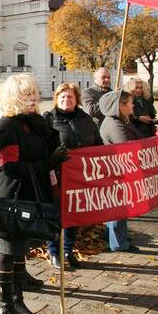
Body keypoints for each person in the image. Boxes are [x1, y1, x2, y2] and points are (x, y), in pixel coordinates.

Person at [0, 73, 67, 314]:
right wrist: (49, 162)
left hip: (31, 194)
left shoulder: (33, 121)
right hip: (12, 196)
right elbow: (11, 167)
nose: (33, 98)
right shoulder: (7, 125)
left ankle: (18, 301)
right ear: (14, 97)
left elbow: (53, 144)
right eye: (26, 94)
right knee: (7, 252)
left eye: (34, 92)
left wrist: (48, 131)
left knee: (20, 251)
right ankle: (5, 308)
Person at [42, 83, 101, 270]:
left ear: (76, 100)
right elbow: (42, 146)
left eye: (70, 97)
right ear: (57, 99)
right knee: (55, 214)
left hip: (79, 176)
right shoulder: (48, 119)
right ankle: (54, 252)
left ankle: (68, 249)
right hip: (56, 175)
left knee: (73, 213)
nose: (67, 100)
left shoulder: (85, 119)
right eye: (63, 97)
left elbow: (97, 142)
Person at [99, 90, 146, 252]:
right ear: (121, 106)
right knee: (117, 209)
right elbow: (127, 147)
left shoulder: (120, 121)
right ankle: (118, 243)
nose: (133, 105)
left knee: (120, 208)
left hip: (119, 172)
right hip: (116, 173)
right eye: (130, 103)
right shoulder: (115, 125)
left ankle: (118, 240)